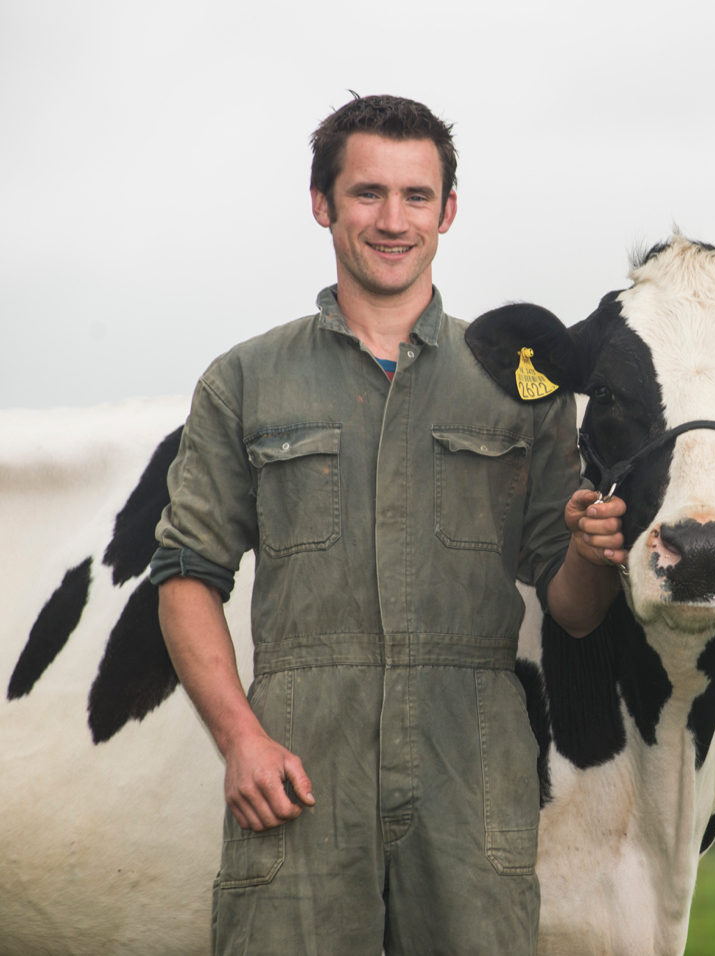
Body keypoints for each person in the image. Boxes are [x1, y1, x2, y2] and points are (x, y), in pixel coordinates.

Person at [150, 94, 627, 955]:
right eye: (367, 193)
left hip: (470, 767)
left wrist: (593, 553)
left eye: (416, 196)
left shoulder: (523, 386)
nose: (392, 220)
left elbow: (574, 607)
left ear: (447, 211)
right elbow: (186, 576)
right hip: (296, 763)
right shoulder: (246, 380)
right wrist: (241, 740)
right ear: (321, 204)